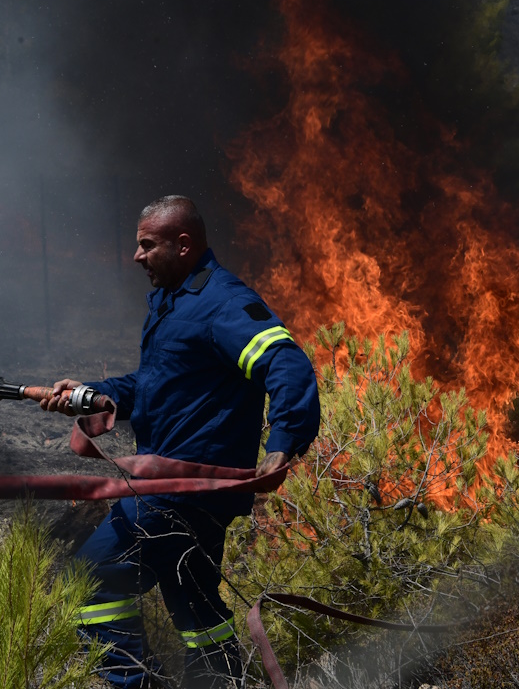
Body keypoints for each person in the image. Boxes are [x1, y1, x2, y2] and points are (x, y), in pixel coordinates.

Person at [40, 195, 320, 689]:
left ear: (183, 244)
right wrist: (95, 395)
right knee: (195, 603)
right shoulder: (176, 303)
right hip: (179, 492)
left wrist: (283, 440)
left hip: (184, 494)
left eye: (147, 245)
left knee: (91, 580)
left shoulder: (223, 304)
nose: (137, 256)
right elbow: (159, 386)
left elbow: (287, 363)